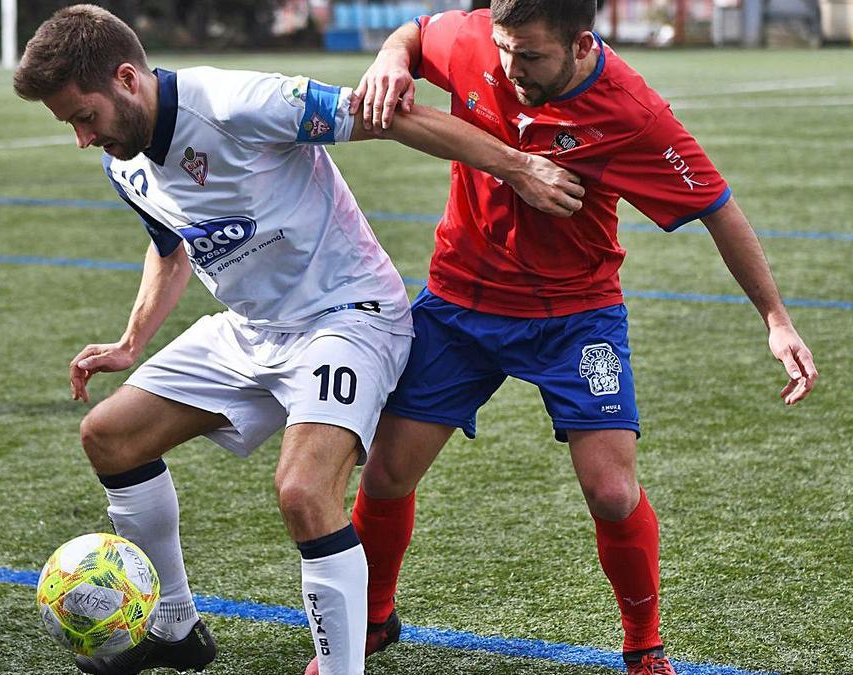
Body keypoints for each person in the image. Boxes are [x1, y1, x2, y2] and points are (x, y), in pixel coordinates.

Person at [12, 5, 584, 675]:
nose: (83, 138)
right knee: (108, 435)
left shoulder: (235, 102)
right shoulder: (125, 160)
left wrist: (516, 166)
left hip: (348, 316)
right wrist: (131, 341)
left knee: (304, 491)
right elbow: (171, 249)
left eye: (85, 117)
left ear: (126, 78)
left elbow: (388, 116)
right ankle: (173, 626)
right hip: (251, 331)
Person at [310, 3, 820, 675]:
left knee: (611, 491)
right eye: (503, 51)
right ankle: (374, 620)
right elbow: (419, 31)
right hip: (463, 300)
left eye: (531, 59)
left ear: (582, 44)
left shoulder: (633, 112)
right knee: (386, 472)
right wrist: (390, 59)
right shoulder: (478, 39)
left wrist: (776, 318)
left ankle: (644, 646)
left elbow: (717, 207)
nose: (509, 69)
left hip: (577, 315)